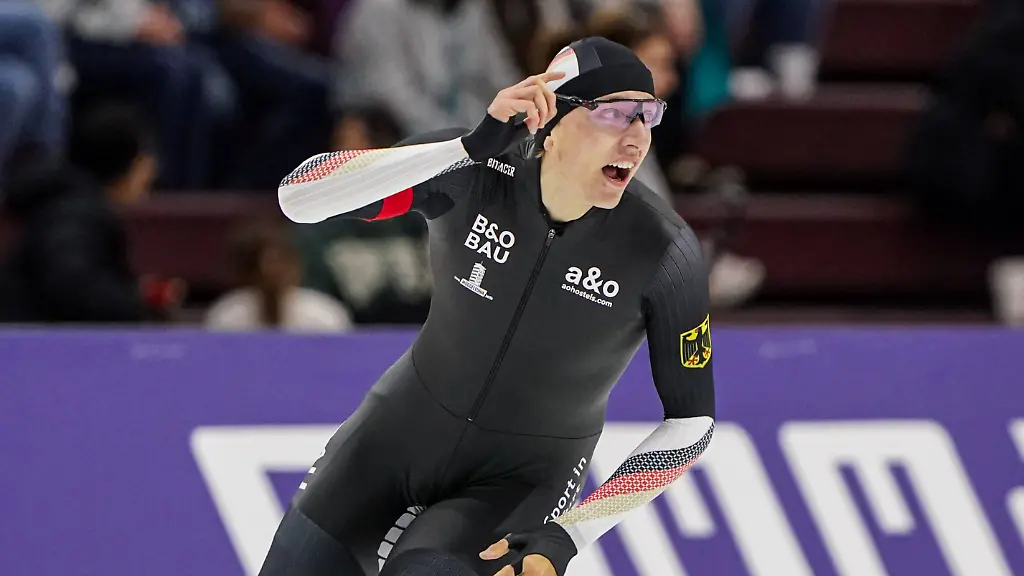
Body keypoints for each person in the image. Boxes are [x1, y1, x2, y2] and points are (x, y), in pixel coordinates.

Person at [266, 37, 715, 576]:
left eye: (649, 116)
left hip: (520, 480)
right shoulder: (470, 168)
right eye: (617, 113)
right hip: (394, 436)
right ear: (552, 119)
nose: (637, 138)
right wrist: (464, 148)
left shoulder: (664, 251)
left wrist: (572, 532)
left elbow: (691, 424)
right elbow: (299, 195)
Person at [0, 103, 180, 324]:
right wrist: (133, 304)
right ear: (126, 163)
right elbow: (70, 284)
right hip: (36, 347)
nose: (151, 171)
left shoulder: (73, 205)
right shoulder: (74, 214)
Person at [205, 221, 354, 332]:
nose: (274, 274)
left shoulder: (325, 315)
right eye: (264, 267)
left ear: (295, 266)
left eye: (281, 263)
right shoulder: (226, 317)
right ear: (248, 272)